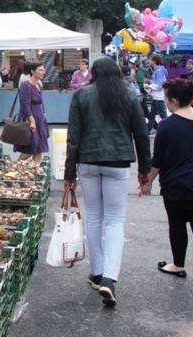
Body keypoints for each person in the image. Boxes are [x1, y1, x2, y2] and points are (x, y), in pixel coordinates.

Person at [64, 57, 151, 307]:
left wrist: (69, 173)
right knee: (115, 220)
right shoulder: (129, 95)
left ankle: (97, 272)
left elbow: (74, 137)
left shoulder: (81, 96)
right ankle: (110, 278)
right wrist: (144, 169)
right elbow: (142, 135)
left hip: (88, 161)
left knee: (93, 217)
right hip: (118, 161)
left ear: (92, 73)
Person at [141, 79, 193, 292]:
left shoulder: (167, 125)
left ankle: (178, 265)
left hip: (177, 186)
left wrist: (146, 183)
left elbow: (157, 161)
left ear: (174, 100)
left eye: (167, 99)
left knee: (177, 226)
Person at [14, 62, 49, 162]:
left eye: (43, 69)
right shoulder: (25, 85)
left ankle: (36, 171)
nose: (43, 72)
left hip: (39, 118)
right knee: (30, 149)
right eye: (41, 70)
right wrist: (31, 120)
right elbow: (24, 104)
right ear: (33, 71)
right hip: (30, 119)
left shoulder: (37, 84)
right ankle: (15, 166)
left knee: (39, 148)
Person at [147, 54, 168, 133]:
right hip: (157, 96)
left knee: (163, 115)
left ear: (154, 61)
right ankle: (148, 129)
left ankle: (169, 129)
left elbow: (160, 85)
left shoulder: (159, 71)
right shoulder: (159, 70)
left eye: (150, 59)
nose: (149, 61)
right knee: (152, 115)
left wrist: (149, 86)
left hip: (159, 97)